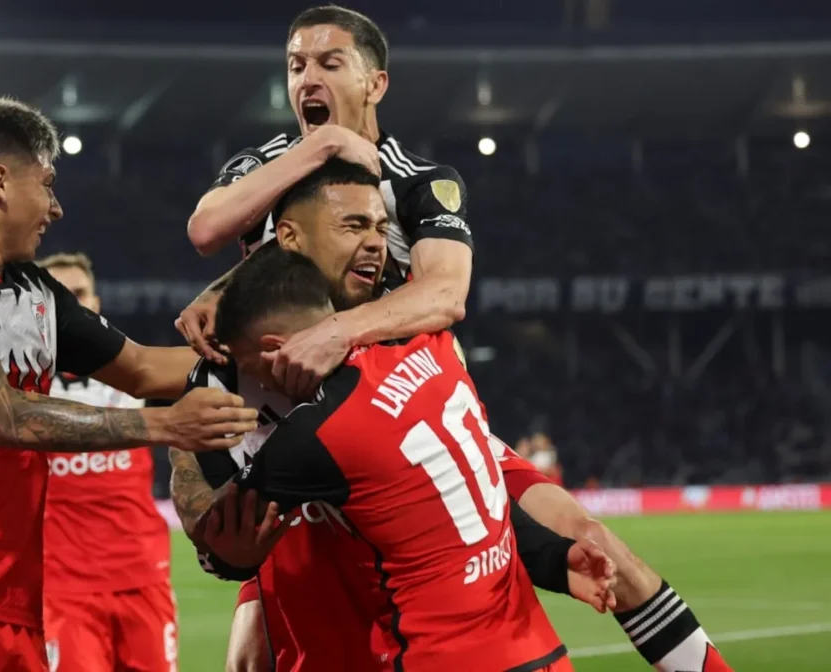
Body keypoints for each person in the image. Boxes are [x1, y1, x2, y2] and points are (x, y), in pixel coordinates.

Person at [173, 158, 731, 672]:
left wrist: (184, 443)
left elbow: (230, 542)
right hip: (473, 637)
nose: (374, 243)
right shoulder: (421, 341)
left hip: (420, 639)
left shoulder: (353, 390)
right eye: (354, 227)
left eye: (378, 227)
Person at [0, 96, 256, 672]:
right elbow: (1, 416)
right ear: (0, 181)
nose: (55, 208)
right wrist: (162, 423)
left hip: (15, 609)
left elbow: (144, 369)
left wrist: (277, 354)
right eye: (48, 183)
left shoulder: (34, 290)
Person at [190, 243, 616, 671]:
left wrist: (185, 429)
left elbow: (225, 543)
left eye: (249, 367)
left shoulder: (316, 433)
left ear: (273, 349)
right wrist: (555, 558)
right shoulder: (435, 350)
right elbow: (477, 505)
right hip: (537, 653)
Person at [179, 5, 471, 402]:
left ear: (375, 85)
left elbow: (445, 293)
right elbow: (205, 231)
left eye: (330, 65)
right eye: (296, 67)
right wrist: (323, 145)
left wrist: (335, 331)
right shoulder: (263, 163)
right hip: (265, 397)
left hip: (376, 395)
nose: (308, 80)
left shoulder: (419, 180)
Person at [39, 252, 178, 672]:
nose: (73, 304)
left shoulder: (140, 373)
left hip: (143, 575)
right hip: (63, 587)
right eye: (60, 296)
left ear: (96, 303)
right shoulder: (17, 387)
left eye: (79, 294)